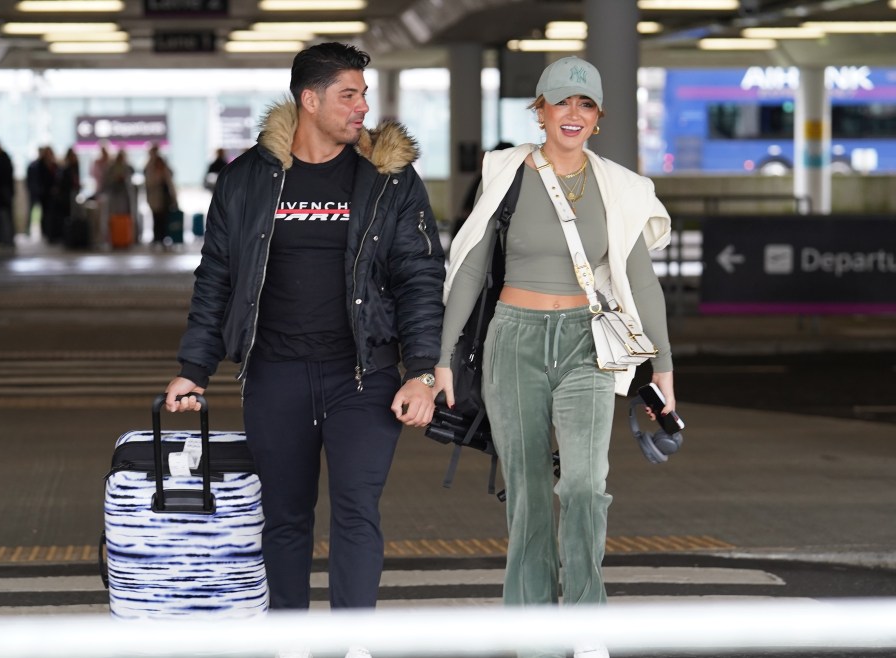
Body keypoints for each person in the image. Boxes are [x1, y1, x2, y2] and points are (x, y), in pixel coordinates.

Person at [164, 42, 445, 621]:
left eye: (364, 94)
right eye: (349, 95)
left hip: (361, 377)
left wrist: (420, 370)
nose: (362, 107)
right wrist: (193, 369)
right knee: (286, 517)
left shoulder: (390, 180)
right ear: (309, 100)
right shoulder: (247, 180)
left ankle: (356, 639)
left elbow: (420, 278)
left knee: (356, 509)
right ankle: (288, 635)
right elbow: (217, 277)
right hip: (275, 377)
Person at [435, 56, 678, 658]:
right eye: (562, 102)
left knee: (585, 484)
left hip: (585, 341)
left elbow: (641, 281)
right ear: (538, 110)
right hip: (513, 338)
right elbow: (468, 268)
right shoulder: (507, 174)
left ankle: (586, 624)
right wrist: (442, 355)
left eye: (586, 104)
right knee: (526, 488)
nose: (573, 114)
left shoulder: (619, 187)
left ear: (599, 118)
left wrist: (665, 367)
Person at [143, 143, 177, 246]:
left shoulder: (164, 167)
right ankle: (157, 238)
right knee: (156, 218)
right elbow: (148, 181)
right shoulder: (149, 167)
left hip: (165, 197)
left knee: (165, 218)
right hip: (155, 197)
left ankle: (164, 237)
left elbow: (170, 180)